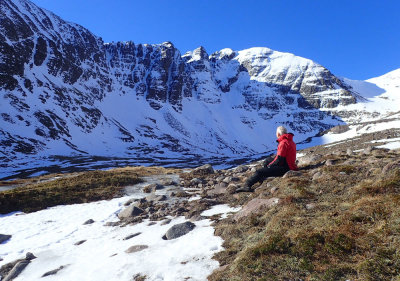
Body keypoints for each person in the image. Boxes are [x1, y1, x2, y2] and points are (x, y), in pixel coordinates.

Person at [236, 126, 298, 192]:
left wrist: (270, 166)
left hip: (285, 168)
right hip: (290, 165)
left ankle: (247, 185)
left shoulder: (283, 143)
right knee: (267, 160)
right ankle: (265, 174)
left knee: (259, 171)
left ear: (278, 134)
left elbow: (280, 159)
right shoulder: (291, 141)